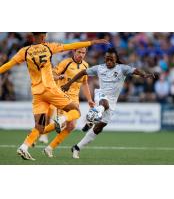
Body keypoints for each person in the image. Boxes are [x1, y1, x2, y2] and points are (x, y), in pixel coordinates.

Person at [0, 32, 108, 160]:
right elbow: (71, 45)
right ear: (42, 37)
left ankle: (24, 147)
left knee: (39, 127)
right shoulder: (48, 47)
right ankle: (61, 120)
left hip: (37, 93)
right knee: (76, 111)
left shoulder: (24, 51)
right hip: (50, 90)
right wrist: (92, 42)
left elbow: (8, 65)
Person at [61, 47, 156, 159]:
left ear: (116, 59)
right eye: (107, 59)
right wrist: (69, 83)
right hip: (101, 95)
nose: (109, 62)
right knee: (104, 104)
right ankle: (92, 118)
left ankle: (77, 147)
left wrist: (144, 75)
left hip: (112, 102)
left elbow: (136, 71)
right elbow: (82, 72)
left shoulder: (122, 69)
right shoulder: (99, 68)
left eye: (111, 59)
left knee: (98, 128)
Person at [42, 47, 95, 157]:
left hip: (75, 99)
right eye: (79, 52)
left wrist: (89, 99)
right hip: (63, 96)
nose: (81, 54)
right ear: (73, 51)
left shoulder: (85, 65)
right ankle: (38, 134)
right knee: (66, 123)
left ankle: (48, 147)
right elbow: (52, 75)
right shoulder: (65, 63)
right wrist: (59, 77)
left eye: (83, 53)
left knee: (70, 126)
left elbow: (84, 84)